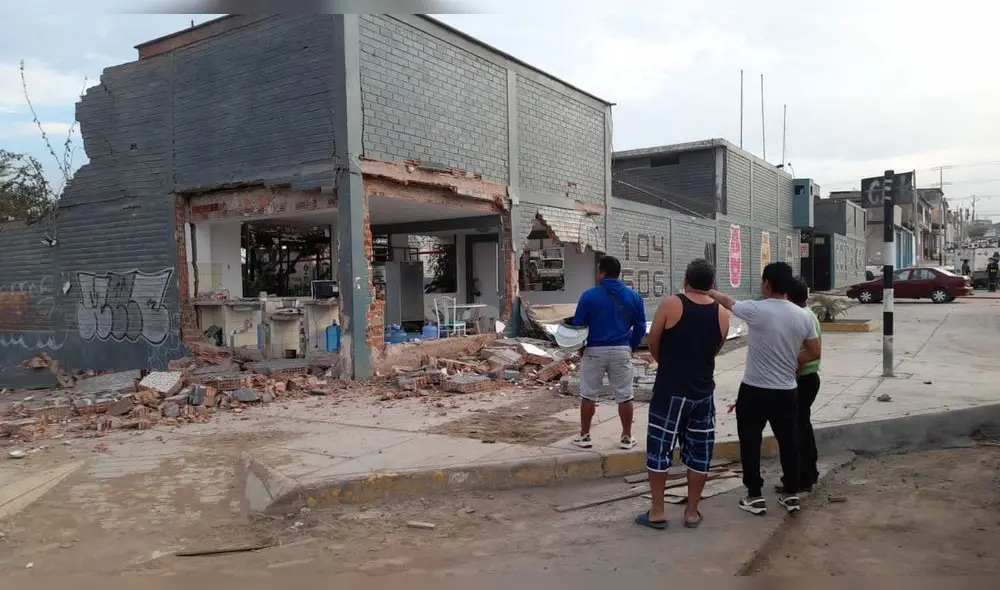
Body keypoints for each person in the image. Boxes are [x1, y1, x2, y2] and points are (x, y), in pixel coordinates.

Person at [707, 262, 821, 515]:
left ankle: (755, 495)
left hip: (754, 389)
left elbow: (727, 301)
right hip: (787, 391)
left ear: (767, 284)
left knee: (750, 441)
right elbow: (814, 351)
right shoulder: (803, 316)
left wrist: (709, 292)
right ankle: (791, 493)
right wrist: (794, 360)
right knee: (789, 441)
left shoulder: (756, 309)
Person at [635, 259, 730, 530]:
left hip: (670, 390)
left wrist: (667, 363)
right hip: (703, 392)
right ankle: (691, 512)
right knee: (700, 451)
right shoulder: (722, 314)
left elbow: (653, 341)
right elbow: (715, 348)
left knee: (659, 449)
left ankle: (657, 512)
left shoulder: (671, 304)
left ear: (686, 280)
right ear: (711, 285)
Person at [570, 255, 647, 450]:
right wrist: (633, 346)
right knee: (625, 395)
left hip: (594, 350)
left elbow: (578, 326)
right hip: (622, 349)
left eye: (598, 271)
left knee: (588, 395)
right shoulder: (634, 297)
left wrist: (581, 348)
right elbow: (640, 327)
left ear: (602, 273)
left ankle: (585, 436)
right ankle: (626, 437)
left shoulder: (588, 296)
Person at [783, 276, 822, 494]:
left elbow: (806, 353)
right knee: (801, 426)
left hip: (803, 379)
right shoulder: (808, 315)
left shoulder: (801, 318)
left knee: (798, 430)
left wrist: (792, 370)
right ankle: (807, 473)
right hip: (808, 378)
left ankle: (804, 475)